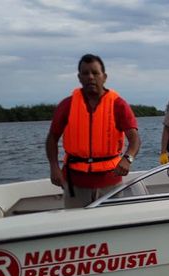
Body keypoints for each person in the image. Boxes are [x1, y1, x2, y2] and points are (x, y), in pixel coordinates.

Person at [46, 54, 141, 208]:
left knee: (112, 227)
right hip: (75, 183)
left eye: (95, 73)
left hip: (110, 182)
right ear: (79, 77)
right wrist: (54, 167)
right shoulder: (67, 105)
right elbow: (52, 138)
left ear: (104, 77)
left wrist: (128, 158)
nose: (90, 77)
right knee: (76, 227)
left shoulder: (118, 105)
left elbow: (134, 139)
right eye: (85, 73)